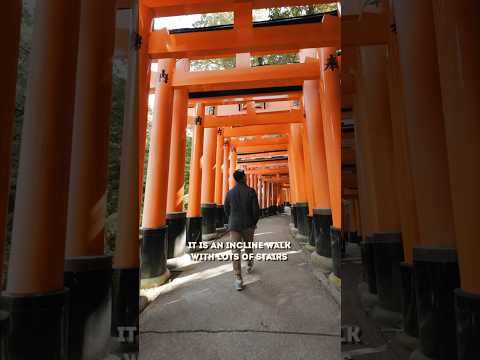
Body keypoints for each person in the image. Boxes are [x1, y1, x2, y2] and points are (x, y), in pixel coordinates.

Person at [224, 169, 260, 290]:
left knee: (235, 251)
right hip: (248, 225)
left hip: (234, 226)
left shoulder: (230, 193)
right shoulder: (251, 191)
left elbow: (226, 209)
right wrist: (254, 222)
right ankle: (249, 265)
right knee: (248, 247)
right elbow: (256, 211)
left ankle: (238, 279)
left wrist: (231, 220)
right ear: (244, 178)